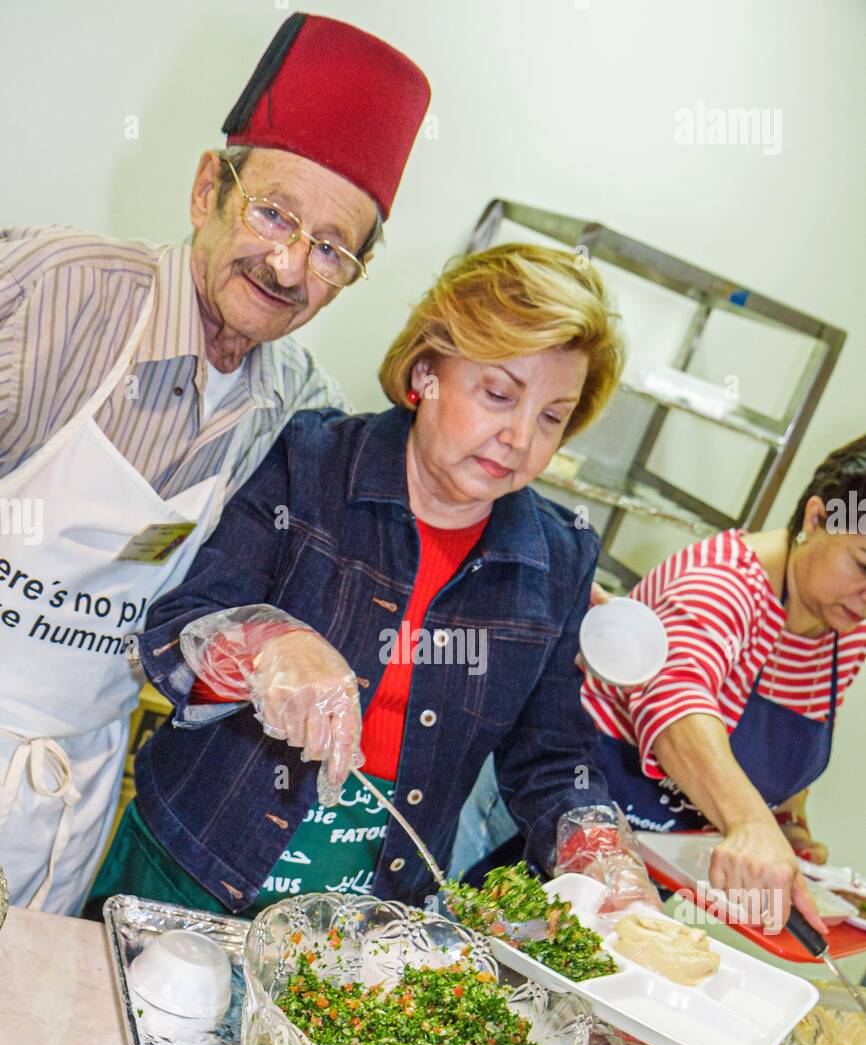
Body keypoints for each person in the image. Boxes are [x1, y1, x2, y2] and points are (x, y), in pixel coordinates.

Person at [0, 14, 430, 914]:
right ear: (208, 189)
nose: (285, 263)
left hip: (72, 784)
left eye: (329, 247)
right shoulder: (56, 291)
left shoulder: (295, 402)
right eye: (274, 212)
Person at [87, 243, 659, 919]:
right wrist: (268, 645)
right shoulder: (309, 462)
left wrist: (595, 843)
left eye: (552, 417)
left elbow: (550, 756)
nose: (519, 437)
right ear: (426, 372)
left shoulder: (559, 556)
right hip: (191, 866)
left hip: (367, 924)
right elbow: (177, 632)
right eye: (499, 394)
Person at [456, 438, 866, 935]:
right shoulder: (721, 583)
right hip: (548, 821)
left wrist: (787, 827)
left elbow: (790, 738)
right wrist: (751, 825)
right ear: (817, 519)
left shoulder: (844, 628)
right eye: (862, 565)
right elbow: (675, 703)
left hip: (644, 871)